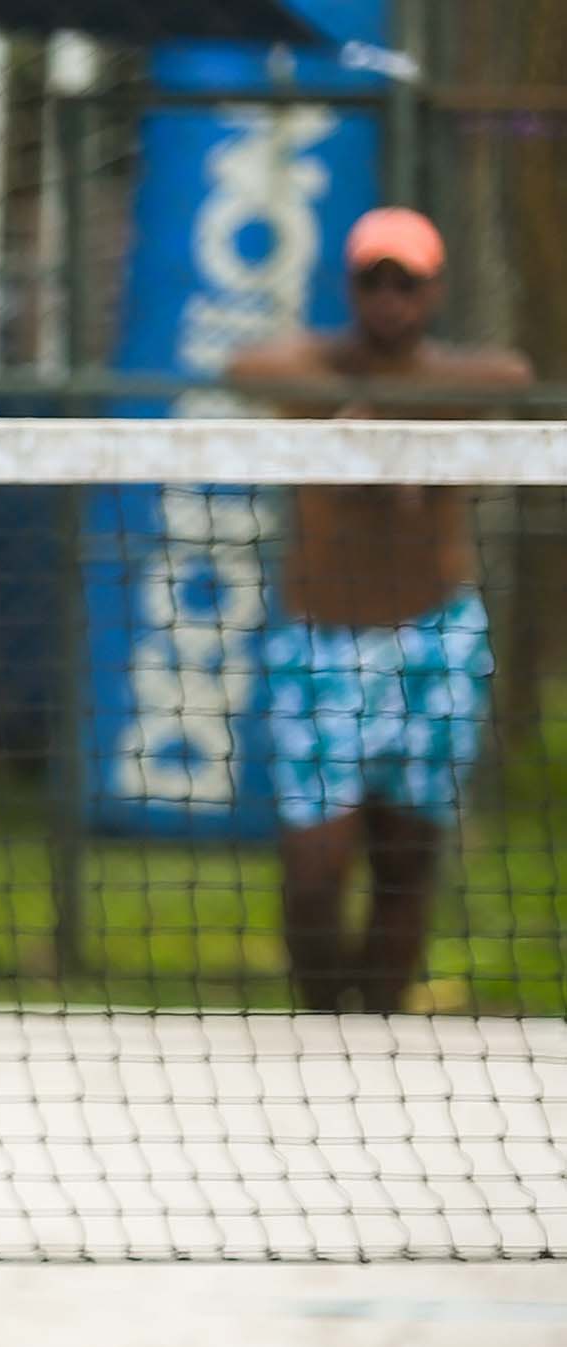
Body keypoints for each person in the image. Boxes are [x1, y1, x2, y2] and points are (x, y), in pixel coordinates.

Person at [225, 206, 529, 1015]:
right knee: (316, 864)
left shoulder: (452, 385)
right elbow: (245, 365)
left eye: (407, 282)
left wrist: (399, 430)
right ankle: (325, 1027)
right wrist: (349, 420)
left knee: (406, 853)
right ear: (351, 286)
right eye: (374, 280)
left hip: (432, 639)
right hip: (322, 642)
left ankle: (382, 1040)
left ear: (434, 290)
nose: (390, 298)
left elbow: (515, 375)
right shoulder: (311, 376)